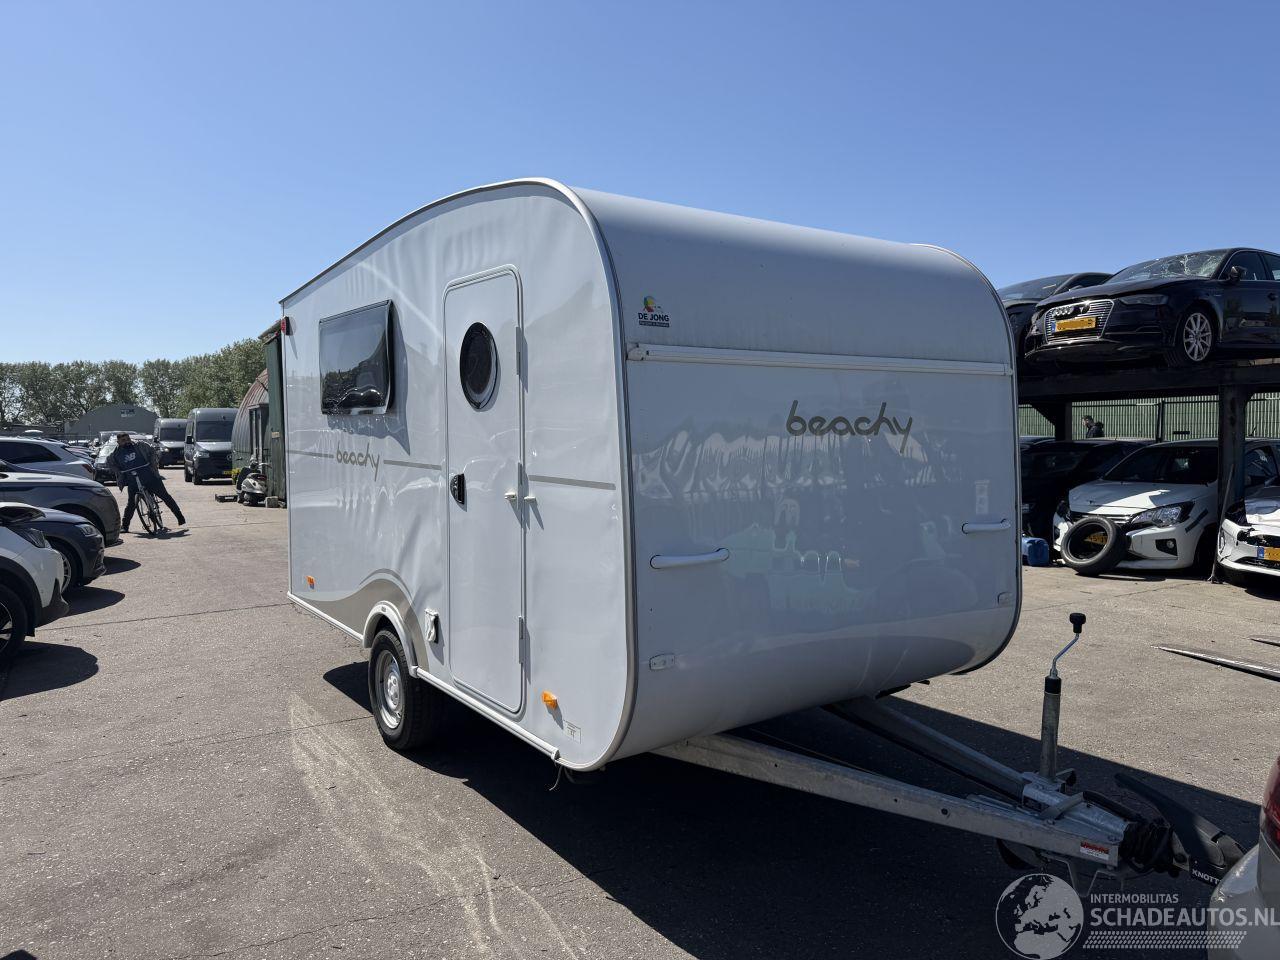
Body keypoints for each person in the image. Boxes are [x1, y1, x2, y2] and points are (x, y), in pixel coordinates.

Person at [110, 432, 186, 532]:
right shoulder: (116, 453)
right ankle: (125, 526)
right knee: (131, 504)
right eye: (123, 440)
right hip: (133, 481)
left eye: (128, 439)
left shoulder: (140, 445)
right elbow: (110, 463)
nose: (127, 441)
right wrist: (118, 471)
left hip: (150, 478)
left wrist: (152, 462)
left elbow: (152, 451)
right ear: (118, 442)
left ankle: (180, 517)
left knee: (165, 497)